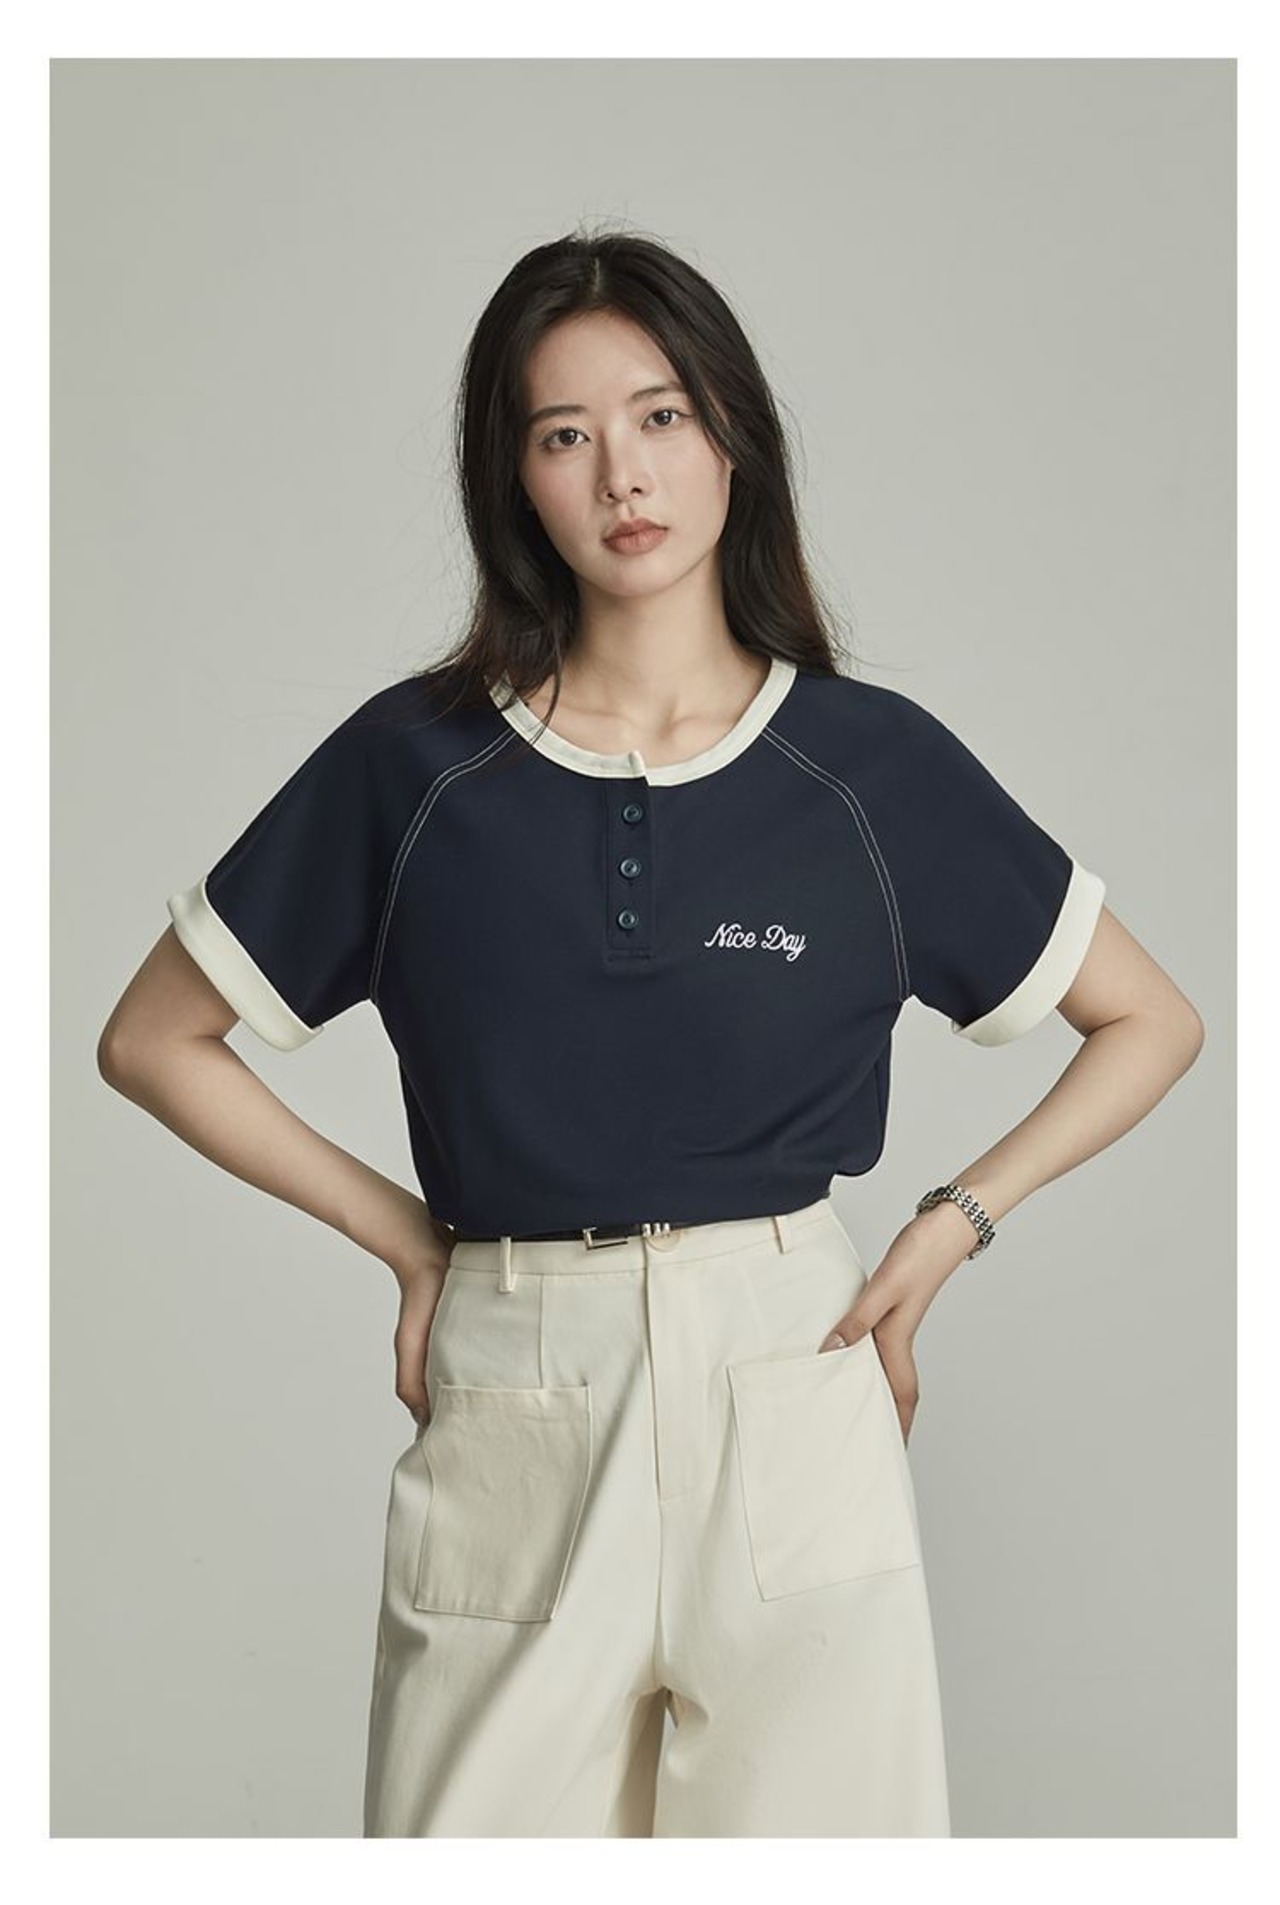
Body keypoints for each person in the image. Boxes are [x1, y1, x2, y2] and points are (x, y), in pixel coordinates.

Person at [98, 226, 1205, 1839]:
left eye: (662, 415)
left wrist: (955, 1222)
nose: (623, 472)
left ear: (730, 435)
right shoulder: (416, 771)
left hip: (792, 1367)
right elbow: (154, 1036)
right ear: (516, 483)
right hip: (520, 1383)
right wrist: (406, 1240)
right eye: (564, 434)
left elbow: (1151, 1018)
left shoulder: (866, 770)